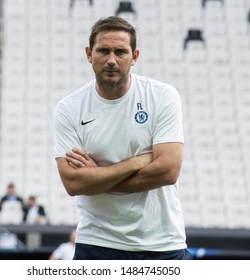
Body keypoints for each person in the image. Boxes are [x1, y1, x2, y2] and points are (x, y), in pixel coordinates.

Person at [53, 16, 192, 260]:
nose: (111, 60)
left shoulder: (162, 97)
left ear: (134, 56)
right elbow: (74, 184)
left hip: (161, 243)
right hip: (97, 242)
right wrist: (137, 162)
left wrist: (97, 178)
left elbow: (168, 171)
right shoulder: (69, 108)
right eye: (103, 51)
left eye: (120, 52)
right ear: (89, 53)